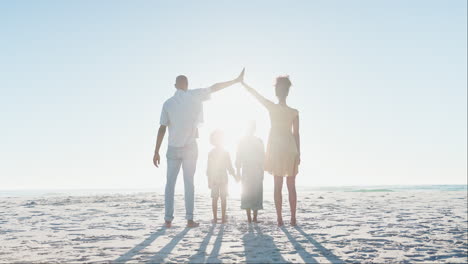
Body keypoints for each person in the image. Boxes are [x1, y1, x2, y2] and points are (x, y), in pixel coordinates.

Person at [153, 68, 244, 228]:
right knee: (189, 183)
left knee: (170, 184)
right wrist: (235, 81)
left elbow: (162, 128)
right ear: (186, 85)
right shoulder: (194, 95)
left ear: (175, 85)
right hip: (189, 147)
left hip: (173, 148)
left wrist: (156, 151)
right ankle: (189, 219)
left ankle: (168, 219)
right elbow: (215, 87)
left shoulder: (168, 103)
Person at [241, 76, 300, 226]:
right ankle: (293, 218)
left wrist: (243, 83)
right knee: (291, 185)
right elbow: (296, 134)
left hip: (277, 149)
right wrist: (298, 153)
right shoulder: (294, 112)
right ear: (287, 92)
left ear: (276, 92)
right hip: (291, 148)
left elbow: (256, 96)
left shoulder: (272, 107)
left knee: (277, 185)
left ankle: (280, 219)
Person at [236, 121, 265, 223]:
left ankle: (255, 217)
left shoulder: (259, 141)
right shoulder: (242, 141)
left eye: (252, 127)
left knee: (256, 192)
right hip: (247, 169)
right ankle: (249, 217)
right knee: (247, 193)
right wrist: (238, 171)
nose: (251, 129)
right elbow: (238, 156)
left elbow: (263, 157)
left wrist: (262, 171)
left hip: (256, 169)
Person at [207, 130, 237, 224]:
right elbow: (229, 167)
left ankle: (215, 218)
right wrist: (235, 176)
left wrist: (209, 180)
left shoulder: (211, 152)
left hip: (215, 177)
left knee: (215, 198)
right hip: (223, 177)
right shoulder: (225, 152)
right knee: (223, 198)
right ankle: (223, 218)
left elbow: (209, 168)